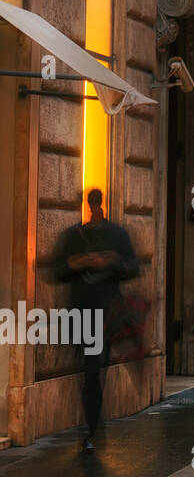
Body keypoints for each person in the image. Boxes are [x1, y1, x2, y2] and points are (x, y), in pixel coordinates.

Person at [53, 188, 142, 453]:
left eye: (95, 202)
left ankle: (91, 429)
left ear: (101, 203)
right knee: (87, 371)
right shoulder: (73, 236)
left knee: (93, 372)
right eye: (90, 202)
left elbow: (133, 268)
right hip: (78, 314)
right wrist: (76, 264)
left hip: (105, 316)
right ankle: (92, 424)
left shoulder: (117, 234)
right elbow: (57, 271)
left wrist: (110, 262)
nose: (93, 206)